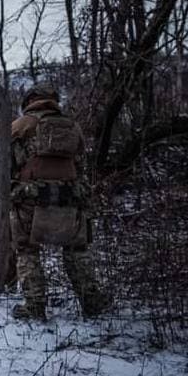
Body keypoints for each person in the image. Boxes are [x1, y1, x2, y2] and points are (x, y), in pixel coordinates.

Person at [9, 83, 110, 321]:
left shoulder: (21, 126)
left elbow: (5, 162)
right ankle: (92, 301)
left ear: (29, 101)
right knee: (76, 251)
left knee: (27, 252)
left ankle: (34, 305)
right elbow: (81, 164)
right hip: (69, 198)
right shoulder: (72, 126)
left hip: (29, 199)